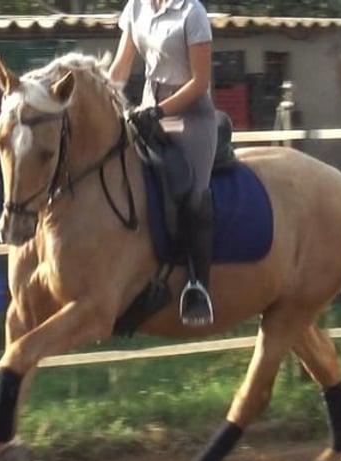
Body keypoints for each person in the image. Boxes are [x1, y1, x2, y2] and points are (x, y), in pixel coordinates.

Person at [109, 0, 218, 327]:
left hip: (191, 116)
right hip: (147, 109)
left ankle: (199, 286)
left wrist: (159, 111)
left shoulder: (192, 12)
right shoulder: (136, 7)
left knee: (193, 193)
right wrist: (104, 98)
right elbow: (121, 67)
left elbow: (199, 81)